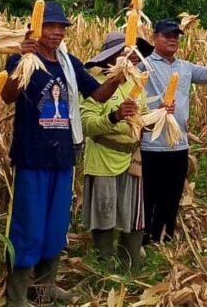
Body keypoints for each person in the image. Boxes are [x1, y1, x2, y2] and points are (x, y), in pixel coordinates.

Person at [0, 2, 125, 306]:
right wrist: (23, 60)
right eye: (50, 26)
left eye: (61, 28)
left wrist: (120, 75)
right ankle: (16, 295)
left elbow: (97, 95)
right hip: (32, 157)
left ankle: (45, 288)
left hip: (63, 157)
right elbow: (6, 96)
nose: (56, 33)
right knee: (27, 225)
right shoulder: (21, 59)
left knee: (56, 225)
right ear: (37, 28)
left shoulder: (69, 64)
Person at [139, 18, 207, 245]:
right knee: (149, 195)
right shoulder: (143, 65)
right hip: (151, 143)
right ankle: (144, 239)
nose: (172, 40)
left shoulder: (185, 67)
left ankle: (164, 238)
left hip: (178, 144)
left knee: (172, 194)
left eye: (176, 36)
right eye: (167, 35)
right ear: (154, 38)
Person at [81, 32, 154, 270]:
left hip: (131, 157)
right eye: (126, 54)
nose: (132, 59)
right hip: (103, 157)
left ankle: (130, 262)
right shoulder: (94, 83)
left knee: (132, 213)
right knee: (105, 212)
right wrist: (115, 116)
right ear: (111, 57)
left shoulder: (137, 84)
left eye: (134, 55)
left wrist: (155, 118)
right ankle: (105, 264)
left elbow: (140, 117)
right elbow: (86, 125)